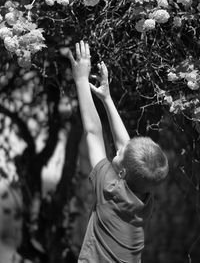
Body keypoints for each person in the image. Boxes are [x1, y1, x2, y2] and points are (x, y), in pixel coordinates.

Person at [67, 41, 169, 263]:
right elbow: (127, 148)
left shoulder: (110, 190)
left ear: (121, 174)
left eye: (120, 154)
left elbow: (93, 132)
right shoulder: (144, 198)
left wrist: (81, 80)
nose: (119, 150)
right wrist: (106, 98)